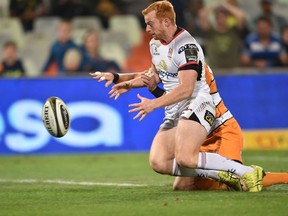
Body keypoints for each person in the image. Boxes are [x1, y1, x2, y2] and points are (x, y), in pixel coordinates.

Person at [90, 0, 265, 192]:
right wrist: (122, 80)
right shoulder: (155, 44)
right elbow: (154, 76)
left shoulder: (186, 46)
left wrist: (153, 104)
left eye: (150, 23)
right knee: (159, 162)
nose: (146, 28)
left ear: (166, 22)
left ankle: (245, 171)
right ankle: (221, 175)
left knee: (185, 158)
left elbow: (186, 89)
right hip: (175, 108)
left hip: (197, 102)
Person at [90, 64, 288, 191]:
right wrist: (117, 78)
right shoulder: (176, 67)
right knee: (182, 186)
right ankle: (222, 174)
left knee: (241, 184)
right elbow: (147, 76)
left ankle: (280, 176)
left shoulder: (192, 71)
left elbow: (181, 96)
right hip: (200, 135)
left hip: (222, 130)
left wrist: (149, 91)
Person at [198, 2, 246, 69]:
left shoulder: (234, 32)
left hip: (233, 70)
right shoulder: (210, 32)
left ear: (227, 18)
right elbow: (202, 14)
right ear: (215, 18)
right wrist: (216, 6)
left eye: (223, 16)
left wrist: (226, 6)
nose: (221, 19)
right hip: (214, 71)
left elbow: (241, 16)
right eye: (218, 17)